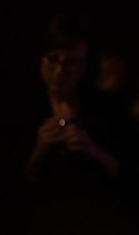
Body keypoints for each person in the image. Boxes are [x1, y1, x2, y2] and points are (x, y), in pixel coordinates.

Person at [24, 15, 121, 184]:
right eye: (53, 59)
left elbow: (128, 177)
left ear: (85, 65)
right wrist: (39, 151)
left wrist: (93, 151)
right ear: (41, 58)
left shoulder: (106, 108)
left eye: (72, 62)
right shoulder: (22, 109)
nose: (59, 71)